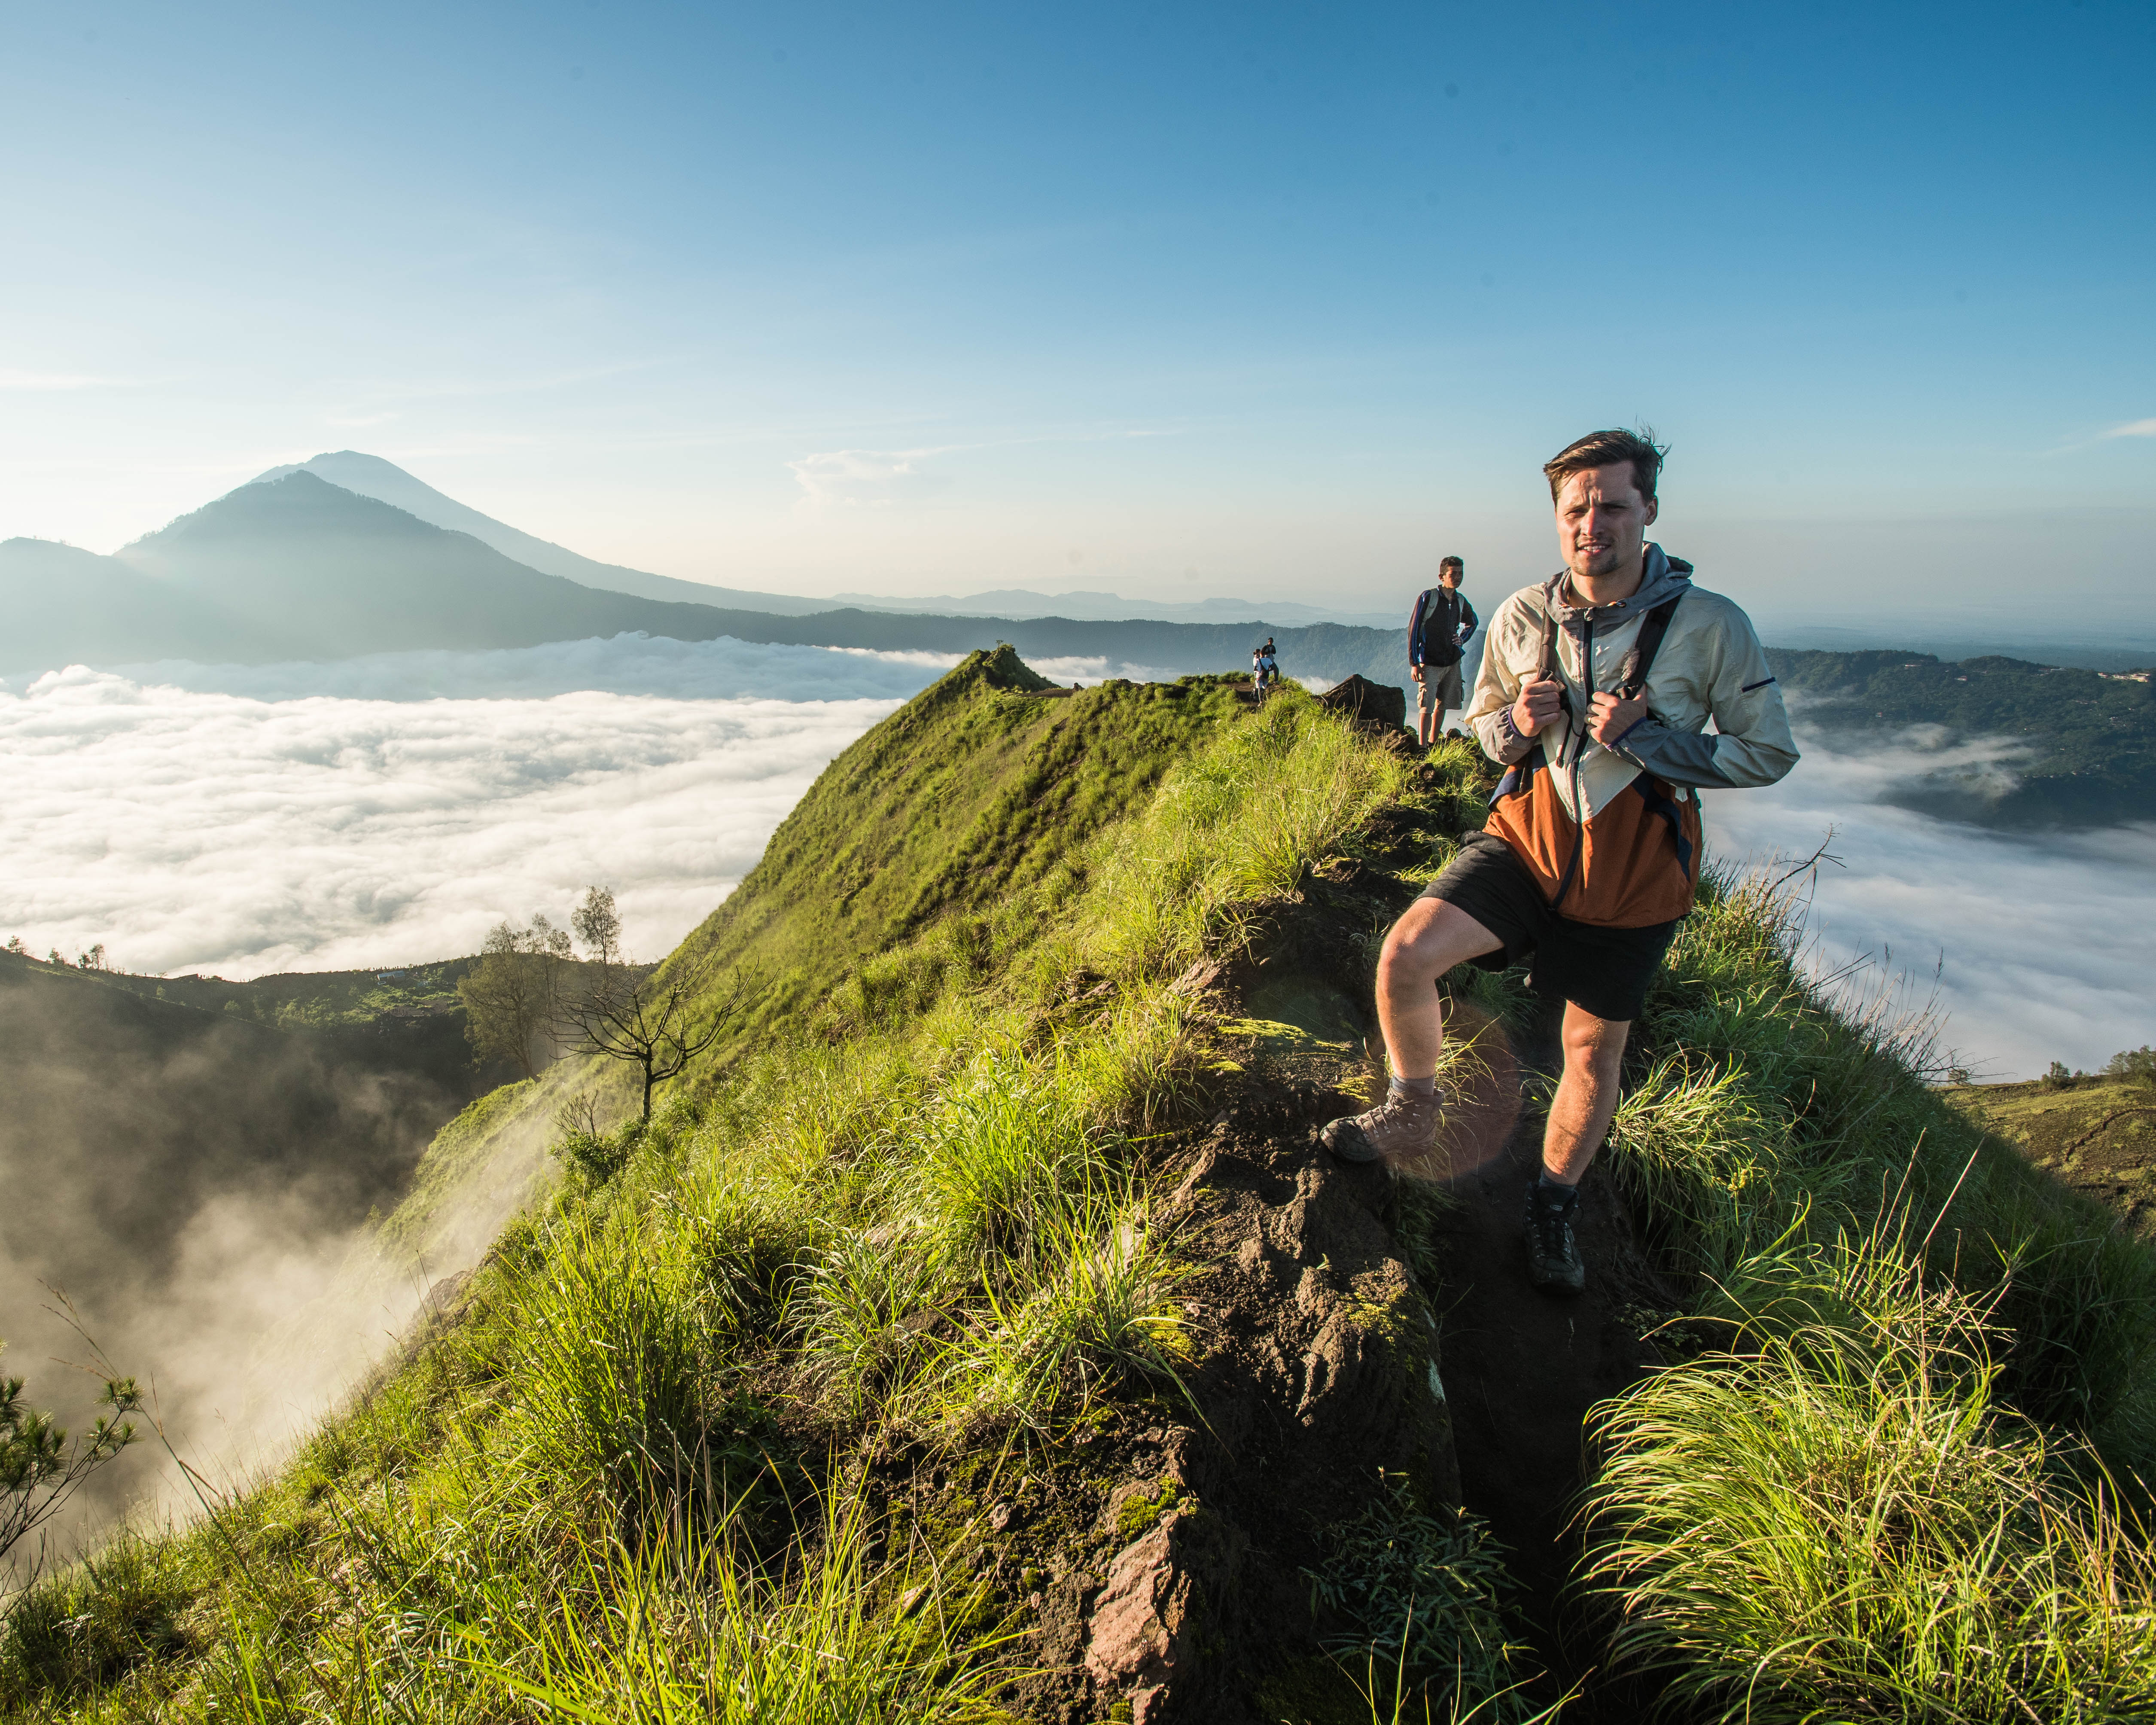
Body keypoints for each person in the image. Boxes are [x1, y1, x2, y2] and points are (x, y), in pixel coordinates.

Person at [1319, 429, 1798, 1294]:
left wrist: (1651, 741)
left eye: (1612, 505)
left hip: (1633, 877)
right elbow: (1484, 724)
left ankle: (1552, 1205)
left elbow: (1767, 752)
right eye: (1575, 509)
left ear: (1647, 510)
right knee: (1403, 956)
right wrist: (1516, 726)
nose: (1592, 525)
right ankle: (1412, 1111)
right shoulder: (1516, 616)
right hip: (1525, 844)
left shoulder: (1710, 626)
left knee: (1589, 1051)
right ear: (1556, 518)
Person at [1408, 558, 1478, 744]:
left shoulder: (1460, 601)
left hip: (1452, 661)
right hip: (1429, 661)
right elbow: (1414, 629)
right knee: (1426, 706)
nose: (1458, 577)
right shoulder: (1428, 598)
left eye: (1460, 574)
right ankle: (1422, 747)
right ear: (1442, 576)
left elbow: (1473, 622)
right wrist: (1414, 663)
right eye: (1453, 574)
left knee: (1443, 704)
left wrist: (1462, 639)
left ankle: (1433, 742)